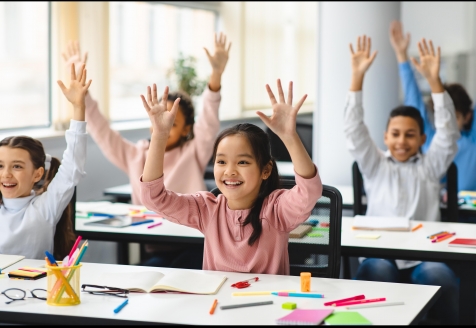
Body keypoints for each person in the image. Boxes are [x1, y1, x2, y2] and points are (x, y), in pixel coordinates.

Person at [62, 34, 231, 268]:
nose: (163, 125)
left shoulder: (193, 151)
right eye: (158, 119)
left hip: (197, 245)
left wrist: (215, 78)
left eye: (172, 121)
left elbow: (210, 122)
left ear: (186, 130)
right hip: (157, 246)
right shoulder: (136, 155)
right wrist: (83, 97)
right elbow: (102, 132)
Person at [139, 80, 322, 274]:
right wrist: (159, 136)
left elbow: (309, 190)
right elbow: (154, 198)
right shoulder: (206, 210)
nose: (230, 171)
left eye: (242, 162)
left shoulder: (277, 211)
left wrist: (289, 137)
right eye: (221, 162)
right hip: (217, 302)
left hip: (269, 302)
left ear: (266, 170)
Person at [344, 35, 459, 325]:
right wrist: (357, 77)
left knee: (440, 277)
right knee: (377, 273)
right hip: (380, 255)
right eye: (395, 134)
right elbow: (353, 129)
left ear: (422, 139)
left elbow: (447, 132)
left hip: (424, 257)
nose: (402, 141)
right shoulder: (375, 165)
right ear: (385, 137)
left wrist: (435, 84)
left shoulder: (431, 166)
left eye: (410, 135)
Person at [0, 64, 90, 260]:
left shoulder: (45, 208)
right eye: (0, 166)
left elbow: (72, 167)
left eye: (17, 166)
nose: (6, 174)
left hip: (36, 289)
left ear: (37, 174)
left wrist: (78, 108)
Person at [390, 20, 476, 194]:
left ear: (467, 116)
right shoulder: (429, 138)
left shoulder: (471, 143)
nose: (446, 121)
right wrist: (401, 56)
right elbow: (414, 101)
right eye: (441, 116)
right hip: (433, 210)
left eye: (455, 116)